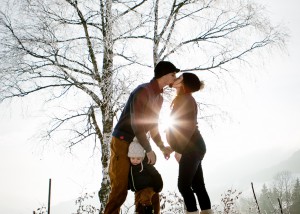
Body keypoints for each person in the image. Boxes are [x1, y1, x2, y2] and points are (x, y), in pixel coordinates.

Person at [104, 61, 179, 214]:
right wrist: (149, 149)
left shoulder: (159, 98)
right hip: (122, 142)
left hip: (138, 144)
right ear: (164, 74)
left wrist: (162, 146)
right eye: (173, 74)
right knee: (119, 190)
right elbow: (137, 124)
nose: (175, 77)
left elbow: (152, 126)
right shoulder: (142, 91)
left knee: (149, 186)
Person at [166, 73, 213, 214]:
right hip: (194, 146)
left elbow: (188, 127)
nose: (176, 79)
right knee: (198, 185)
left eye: (179, 78)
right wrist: (173, 147)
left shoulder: (185, 99)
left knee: (183, 185)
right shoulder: (184, 99)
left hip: (191, 148)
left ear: (184, 84)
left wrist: (179, 149)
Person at [128, 138, 163, 214]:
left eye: (138, 158)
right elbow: (130, 178)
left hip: (148, 187)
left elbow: (155, 173)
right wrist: (128, 185)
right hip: (137, 190)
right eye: (133, 158)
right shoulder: (130, 168)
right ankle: (138, 212)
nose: (135, 160)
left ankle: (149, 211)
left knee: (145, 198)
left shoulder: (145, 164)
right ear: (129, 157)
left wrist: (159, 184)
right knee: (137, 202)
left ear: (142, 158)